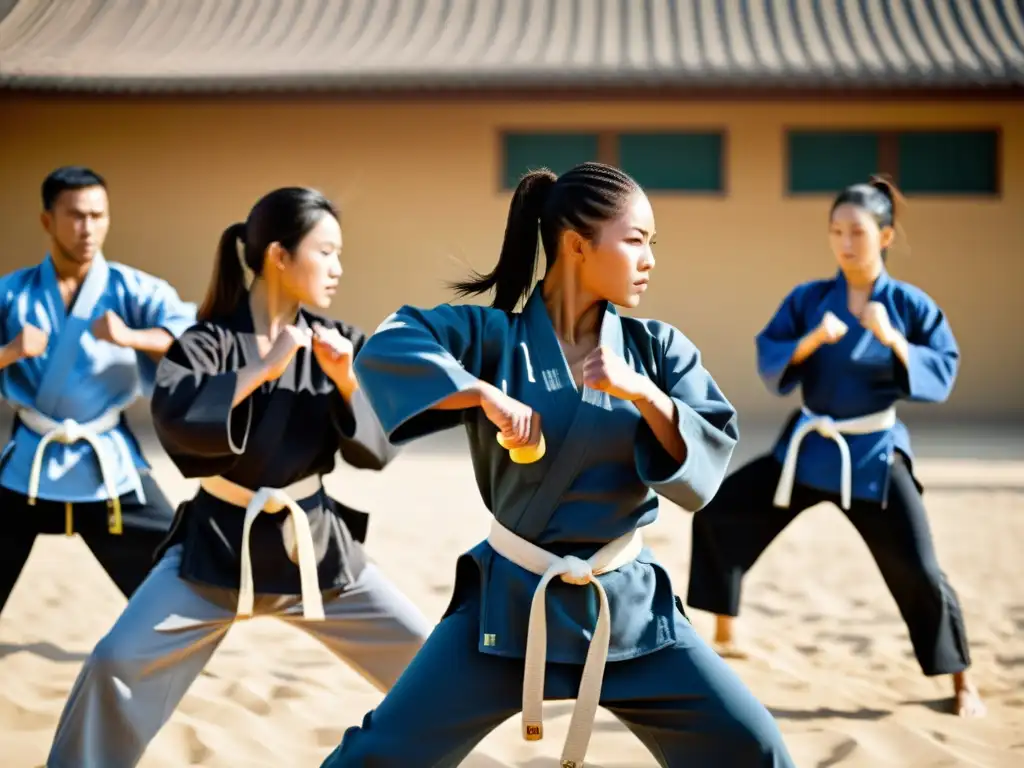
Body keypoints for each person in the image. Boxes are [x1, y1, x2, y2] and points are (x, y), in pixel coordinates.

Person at [320, 163, 793, 768]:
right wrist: (481, 393)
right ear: (576, 243)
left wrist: (645, 396)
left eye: (652, 244)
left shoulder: (657, 351)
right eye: (636, 239)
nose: (650, 259)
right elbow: (390, 340)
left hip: (625, 609)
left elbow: (706, 465)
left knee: (755, 747)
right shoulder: (490, 338)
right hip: (507, 606)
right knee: (379, 754)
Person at [47, 186, 432, 767]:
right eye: (325, 252)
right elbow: (177, 424)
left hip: (316, 553)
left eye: (339, 254)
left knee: (429, 665)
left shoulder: (341, 344)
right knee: (114, 663)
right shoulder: (204, 343)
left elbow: (378, 449)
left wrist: (348, 379)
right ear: (279, 256)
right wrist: (260, 368)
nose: (338, 268)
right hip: (215, 550)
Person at [686, 178, 985, 718]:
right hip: (807, 449)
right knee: (720, 510)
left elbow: (940, 370)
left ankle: (962, 681)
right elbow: (771, 354)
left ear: (886, 235)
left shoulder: (910, 306)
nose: (845, 243)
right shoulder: (807, 300)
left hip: (872, 455)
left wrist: (893, 338)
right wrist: (811, 340)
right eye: (836, 232)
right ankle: (725, 625)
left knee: (918, 567)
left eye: (858, 232)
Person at [0, 165, 195, 616]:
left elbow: (191, 342)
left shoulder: (134, 289)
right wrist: (10, 350)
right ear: (47, 220)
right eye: (75, 215)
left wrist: (133, 337)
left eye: (97, 215)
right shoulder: (12, 293)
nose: (88, 228)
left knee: (177, 576)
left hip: (108, 463)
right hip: (29, 459)